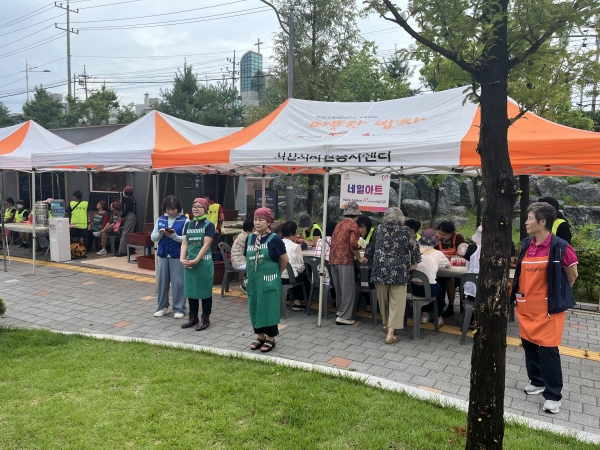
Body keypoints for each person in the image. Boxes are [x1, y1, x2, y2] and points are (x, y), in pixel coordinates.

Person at [511, 202, 578, 414]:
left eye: (530, 218)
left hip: (549, 308)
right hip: (526, 305)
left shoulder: (561, 246)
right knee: (529, 344)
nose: (526, 222)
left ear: (542, 221)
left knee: (549, 350)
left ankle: (553, 395)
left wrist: (557, 294)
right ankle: (537, 381)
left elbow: (572, 275)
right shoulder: (525, 244)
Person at [365, 207, 421, 344]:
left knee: (383, 300)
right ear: (401, 218)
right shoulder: (406, 231)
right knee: (397, 302)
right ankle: (390, 334)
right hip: (399, 271)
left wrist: (367, 258)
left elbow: (371, 247)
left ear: (385, 217)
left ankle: (386, 325)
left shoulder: (379, 229)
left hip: (380, 270)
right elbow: (415, 248)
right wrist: (415, 263)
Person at [244, 207, 288, 353]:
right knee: (255, 307)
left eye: (261, 220)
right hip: (254, 280)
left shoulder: (275, 239)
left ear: (269, 222)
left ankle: (270, 338)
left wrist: (276, 273)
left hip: (269, 280)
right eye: (255, 219)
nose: (257, 222)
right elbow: (248, 258)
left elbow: (284, 259)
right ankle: (260, 336)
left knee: (269, 308)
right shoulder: (249, 238)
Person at [329, 201, 367, 326]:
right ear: (356, 216)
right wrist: (359, 257)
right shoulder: (353, 226)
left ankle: (340, 311)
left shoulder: (339, 225)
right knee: (348, 289)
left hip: (333, 260)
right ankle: (344, 317)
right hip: (345, 260)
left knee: (339, 289)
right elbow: (352, 244)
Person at [180, 198, 215, 331]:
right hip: (189, 263)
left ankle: (205, 319)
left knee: (205, 292)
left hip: (203, 264)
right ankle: (193, 318)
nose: (195, 208)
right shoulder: (188, 224)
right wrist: (182, 259)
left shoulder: (209, 225)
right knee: (191, 291)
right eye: (194, 206)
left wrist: (195, 261)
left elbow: (205, 246)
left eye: (199, 206)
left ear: (205, 209)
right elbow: (184, 243)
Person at [152, 196, 188, 320]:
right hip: (163, 255)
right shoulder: (161, 219)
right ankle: (162, 307)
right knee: (162, 282)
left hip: (177, 255)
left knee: (178, 282)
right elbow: (153, 237)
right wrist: (160, 234)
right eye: (168, 209)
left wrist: (174, 236)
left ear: (178, 209)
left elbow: (186, 239)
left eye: (173, 209)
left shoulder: (185, 221)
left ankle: (179, 308)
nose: (171, 212)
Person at [412, 228, 450, 326]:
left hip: (412, 288)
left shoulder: (413, 252)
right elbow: (448, 265)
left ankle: (424, 315)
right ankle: (438, 317)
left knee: (426, 285)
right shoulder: (438, 254)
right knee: (440, 290)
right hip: (429, 290)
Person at [436, 220, 466, 317]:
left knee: (449, 280)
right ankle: (438, 304)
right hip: (442, 270)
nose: (442, 236)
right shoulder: (437, 239)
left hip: (456, 271)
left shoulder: (458, 238)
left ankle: (451, 306)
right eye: (440, 234)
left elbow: (461, 255)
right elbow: (433, 253)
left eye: (444, 234)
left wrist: (443, 255)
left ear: (451, 233)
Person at [280, 221, 310, 311]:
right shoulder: (296, 246)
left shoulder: (278, 243)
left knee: (297, 274)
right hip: (289, 278)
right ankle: (298, 302)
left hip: (278, 276)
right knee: (305, 277)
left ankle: (291, 296)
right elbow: (300, 268)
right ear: (292, 233)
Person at [116, 186, 137, 257]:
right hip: (133, 216)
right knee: (130, 234)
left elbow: (127, 209)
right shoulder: (132, 199)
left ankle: (122, 251)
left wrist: (121, 216)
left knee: (125, 234)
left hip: (129, 216)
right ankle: (131, 249)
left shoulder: (128, 199)